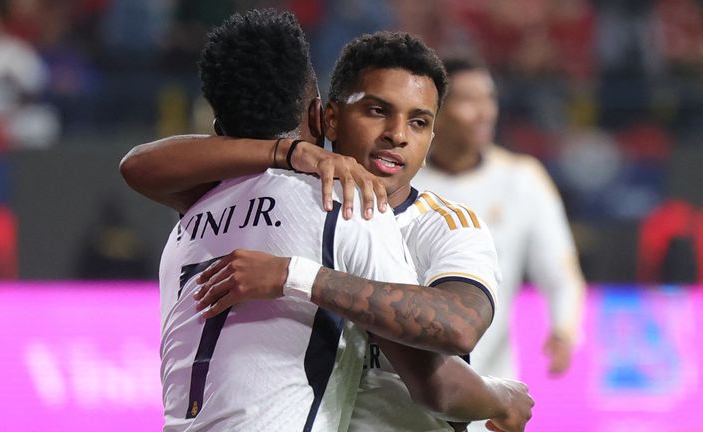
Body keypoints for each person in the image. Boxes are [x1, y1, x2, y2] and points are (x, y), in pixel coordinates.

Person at [122, 22, 533, 432]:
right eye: (377, 110)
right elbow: (438, 386)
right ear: (326, 119)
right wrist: (501, 398)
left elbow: (459, 324)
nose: (397, 135)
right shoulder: (344, 210)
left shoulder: (197, 209)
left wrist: (290, 272)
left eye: (419, 122)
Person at [144, 10, 422, 431]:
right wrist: (496, 396)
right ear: (317, 115)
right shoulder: (342, 201)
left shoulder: (190, 219)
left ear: (218, 130)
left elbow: (135, 166)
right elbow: (423, 369)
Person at [413, 55, 585, 428]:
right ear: (435, 111)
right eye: (468, 99)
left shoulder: (522, 179)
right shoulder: (404, 181)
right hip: (406, 389)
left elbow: (560, 271)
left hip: (490, 391)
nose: (484, 112)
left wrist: (564, 329)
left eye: (488, 98)